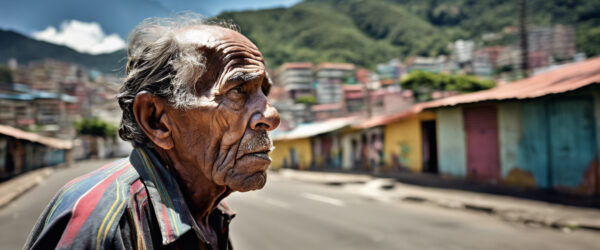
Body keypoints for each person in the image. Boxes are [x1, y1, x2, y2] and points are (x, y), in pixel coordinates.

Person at [24, 15, 280, 250]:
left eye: (263, 92)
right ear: (157, 120)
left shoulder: (211, 214)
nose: (271, 117)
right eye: (238, 91)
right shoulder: (101, 223)